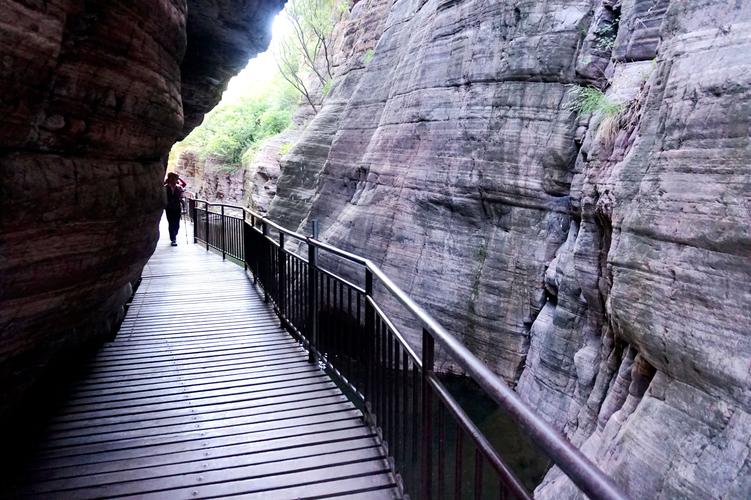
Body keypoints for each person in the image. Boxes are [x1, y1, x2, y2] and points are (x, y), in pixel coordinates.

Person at [163, 172, 186, 246]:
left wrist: (184, 207)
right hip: (169, 208)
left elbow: (182, 198)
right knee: (171, 223)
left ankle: (174, 234)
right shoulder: (165, 187)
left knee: (177, 224)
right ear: (170, 179)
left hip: (177, 207)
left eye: (176, 178)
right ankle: (173, 239)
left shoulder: (179, 188)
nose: (175, 180)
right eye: (173, 178)